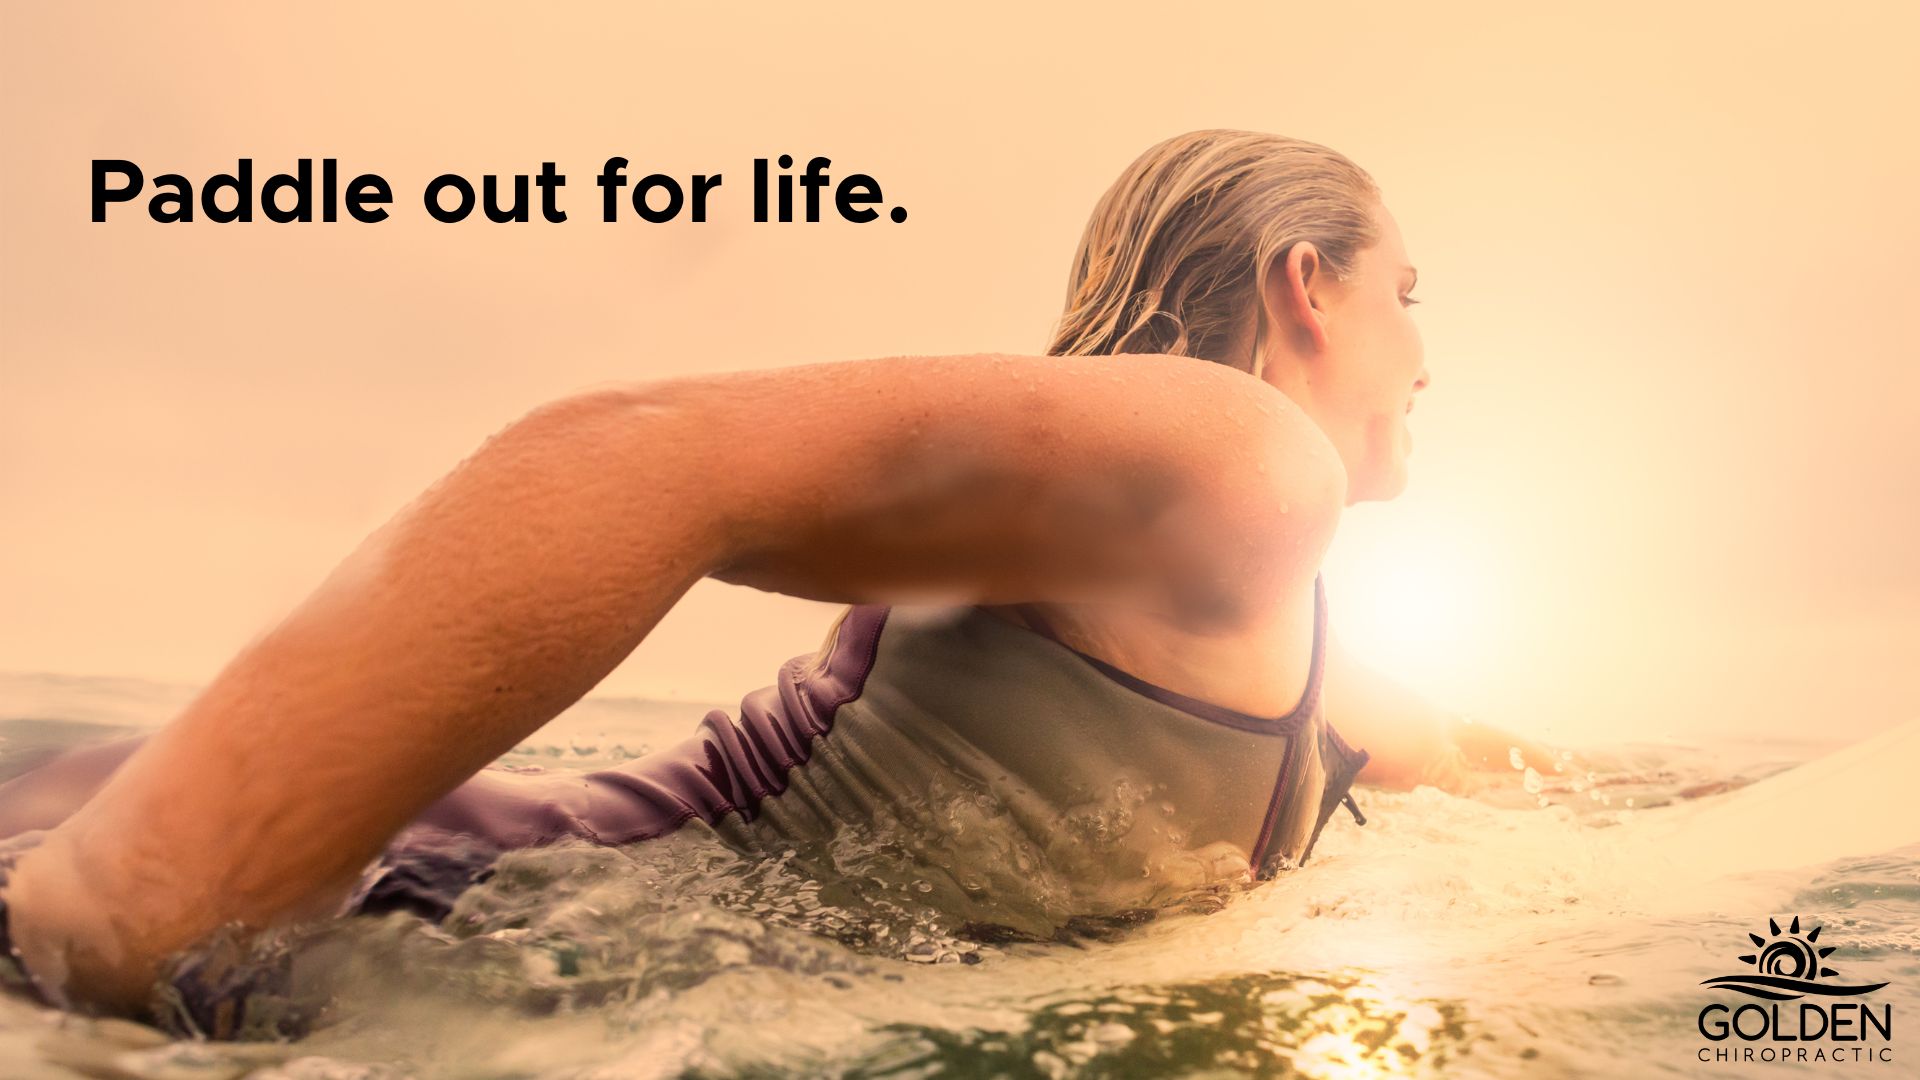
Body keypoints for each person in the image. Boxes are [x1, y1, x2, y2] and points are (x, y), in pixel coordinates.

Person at [0, 130, 1528, 1025]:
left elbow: (1492, 768)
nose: (1432, 351)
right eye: (1408, 293)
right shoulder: (1245, 462)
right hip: (427, 896)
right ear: (1302, 287)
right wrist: (138, 905)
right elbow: (632, 456)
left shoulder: (1302, 647)